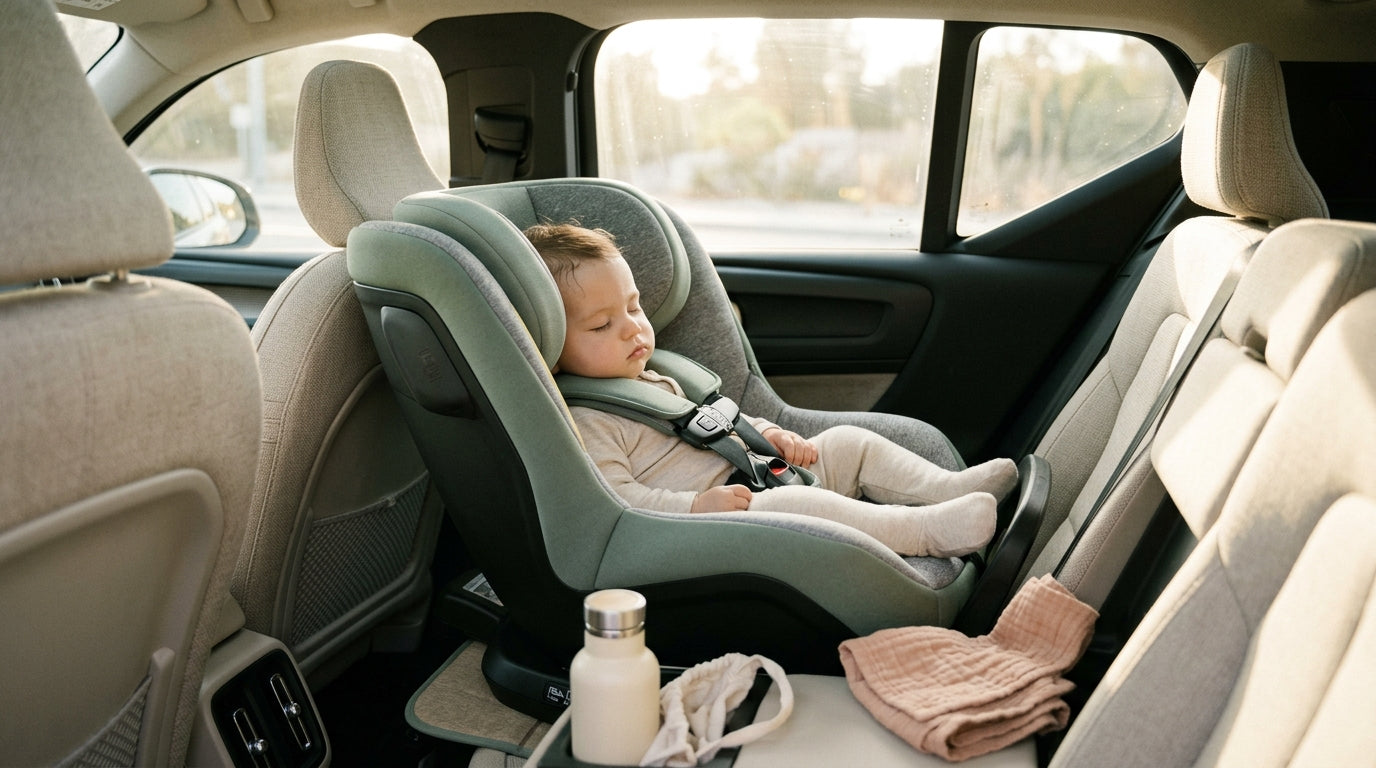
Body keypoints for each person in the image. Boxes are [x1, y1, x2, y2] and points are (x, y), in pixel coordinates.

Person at [525, 223, 1018, 558]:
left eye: (634, 307)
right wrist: (694, 507)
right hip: (724, 517)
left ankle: (948, 488)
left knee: (849, 444)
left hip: (763, 469)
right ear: (550, 344)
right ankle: (926, 533)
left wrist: (770, 435)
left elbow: (719, 420)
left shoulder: (653, 378)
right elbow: (617, 501)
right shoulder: (588, 420)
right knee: (803, 507)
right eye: (602, 325)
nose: (633, 328)